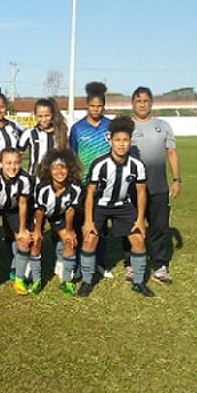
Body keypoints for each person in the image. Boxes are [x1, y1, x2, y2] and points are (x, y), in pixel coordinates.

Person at [79, 116, 153, 297]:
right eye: (117, 140)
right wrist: (88, 221)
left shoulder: (137, 165)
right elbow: (89, 194)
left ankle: (138, 282)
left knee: (138, 240)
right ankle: (87, 281)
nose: (121, 144)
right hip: (100, 205)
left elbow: (142, 192)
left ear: (130, 141)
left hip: (123, 206)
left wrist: (140, 220)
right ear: (110, 141)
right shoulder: (99, 164)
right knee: (90, 239)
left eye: (125, 140)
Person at [125, 86, 181, 284]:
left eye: (146, 101)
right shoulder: (126, 126)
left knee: (159, 227)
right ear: (132, 103)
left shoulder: (163, 125)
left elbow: (172, 152)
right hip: (131, 188)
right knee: (131, 225)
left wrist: (177, 179)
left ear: (151, 103)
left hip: (158, 186)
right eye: (138, 101)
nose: (142, 104)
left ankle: (160, 266)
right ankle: (131, 265)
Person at [69, 81, 113, 280]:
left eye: (100, 106)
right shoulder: (77, 129)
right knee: (81, 224)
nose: (96, 109)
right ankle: (79, 263)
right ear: (86, 106)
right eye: (92, 106)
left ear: (104, 106)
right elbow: (72, 156)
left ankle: (99, 262)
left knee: (101, 224)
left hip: (106, 185)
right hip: (83, 184)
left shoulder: (110, 126)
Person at [27, 149, 83, 297]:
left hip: (58, 215)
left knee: (69, 241)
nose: (59, 171)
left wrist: (69, 230)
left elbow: (70, 210)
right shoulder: (43, 188)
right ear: (48, 170)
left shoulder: (75, 188)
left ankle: (66, 280)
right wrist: (38, 231)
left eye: (63, 167)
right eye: (54, 168)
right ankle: (37, 279)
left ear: (70, 168)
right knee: (36, 241)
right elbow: (39, 211)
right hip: (41, 215)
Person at [0, 148, 33, 297]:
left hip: (13, 208)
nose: (12, 167)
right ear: (0, 163)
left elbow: (23, 204)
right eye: (8, 163)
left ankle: (19, 278)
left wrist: (23, 229)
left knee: (23, 240)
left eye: (16, 163)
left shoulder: (25, 178)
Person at [18, 98, 68, 176]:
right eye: (40, 116)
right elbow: (17, 155)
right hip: (35, 179)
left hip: (56, 178)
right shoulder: (29, 133)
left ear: (52, 114)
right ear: (35, 115)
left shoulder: (61, 133)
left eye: (47, 115)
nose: (44, 119)